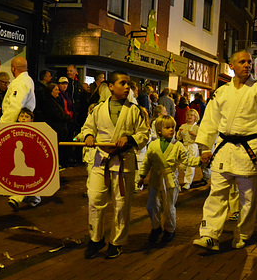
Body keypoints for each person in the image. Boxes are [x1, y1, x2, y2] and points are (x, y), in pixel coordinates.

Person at [192, 50, 257, 251]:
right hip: (224, 148)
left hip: (249, 150)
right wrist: (205, 146)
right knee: (216, 193)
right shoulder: (221, 92)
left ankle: (244, 232)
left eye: (249, 62)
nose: (247, 65)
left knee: (248, 197)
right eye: (242, 62)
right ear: (231, 65)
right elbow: (210, 121)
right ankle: (210, 234)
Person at [81, 70, 149, 259]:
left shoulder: (134, 110)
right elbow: (88, 127)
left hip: (123, 160)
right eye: (122, 83)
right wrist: (87, 136)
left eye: (128, 84)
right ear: (111, 86)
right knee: (95, 199)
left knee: (121, 204)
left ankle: (117, 241)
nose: (127, 87)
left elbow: (144, 134)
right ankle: (96, 239)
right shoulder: (98, 109)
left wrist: (129, 138)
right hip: (101, 159)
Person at [139, 115, 201, 245]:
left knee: (168, 207)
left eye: (173, 127)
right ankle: (156, 227)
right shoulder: (153, 145)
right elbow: (147, 161)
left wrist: (201, 160)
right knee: (152, 206)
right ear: (159, 130)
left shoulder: (177, 145)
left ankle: (169, 230)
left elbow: (187, 159)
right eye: (167, 127)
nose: (171, 130)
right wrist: (142, 176)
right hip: (155, 180)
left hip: (170, 181)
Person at [8, 108, 42, 211]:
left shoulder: (35, 132)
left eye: (26, 117)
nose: (23, 119)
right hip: (18, 163)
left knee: (31, 177)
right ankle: (24, 197)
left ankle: (24, 197)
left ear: (31, 120)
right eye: (22, 116)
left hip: (31, 161)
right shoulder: (13, 131)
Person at [0, 56, 35, 123]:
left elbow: (15, 106)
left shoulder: (20, 82)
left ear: (13, 68)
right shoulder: (27, 80)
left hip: (15, 123)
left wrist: (3, 123)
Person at [177, 108, 200, 190]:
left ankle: (187, 182)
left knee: (190, 165)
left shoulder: (196, 127)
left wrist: (194, 134)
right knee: (182, 165)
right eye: (188, 115)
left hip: (193, 146)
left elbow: (200, 137)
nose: (189, 116)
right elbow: (178, 137)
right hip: (185, 146)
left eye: (191, 115)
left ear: (195, 117)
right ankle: (188, 176)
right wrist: (179, 133)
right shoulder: (183, 126)